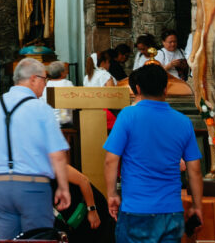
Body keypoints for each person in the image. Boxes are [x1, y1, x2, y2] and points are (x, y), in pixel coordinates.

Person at [103, 63, 203, 243]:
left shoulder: (128, 116)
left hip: (136, 209)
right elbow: (194, 169)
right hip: (171, 211)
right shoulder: (183, 122)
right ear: (166, 89)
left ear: (138, 89)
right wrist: (197, 205)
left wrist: (112, 195)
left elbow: (111, 160)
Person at [0, 57, 71, 239]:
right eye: (44, 79)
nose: (45, 84)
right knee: (38, 239)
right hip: (32, 187)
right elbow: (58, 154)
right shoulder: (41, 109)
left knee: (7, 240)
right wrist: (64, 188)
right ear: (33, 79)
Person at [59, 164, 115, 243]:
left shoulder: (53, 165)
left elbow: (83, 181)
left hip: (92, 206)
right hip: (74, 217)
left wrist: (92, 210)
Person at [45, 60, 74, 126]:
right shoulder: (67, 84)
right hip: (65, 121)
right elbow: (74, 103)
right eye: (66, 70)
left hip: (50, 121)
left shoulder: (47, 85)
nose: (67, 72)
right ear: (62, 73)